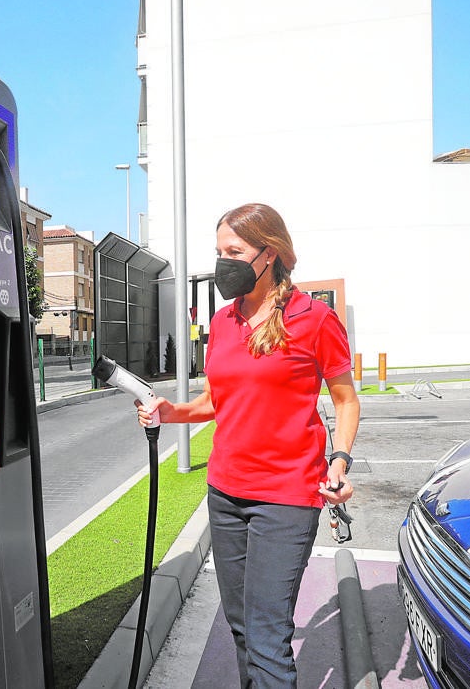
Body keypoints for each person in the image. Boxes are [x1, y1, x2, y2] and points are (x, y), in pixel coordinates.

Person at [137, 203, 360, 688]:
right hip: (226, 493)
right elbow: (216, 401)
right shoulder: (223, 322)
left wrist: (339, 461)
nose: (223, 263)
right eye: (219, 252)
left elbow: (345, 400)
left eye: (234, 251)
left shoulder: (315, 319)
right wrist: (168, 412)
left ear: (270, 253)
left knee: (266, 637)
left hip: (286, 498)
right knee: (241, 630)